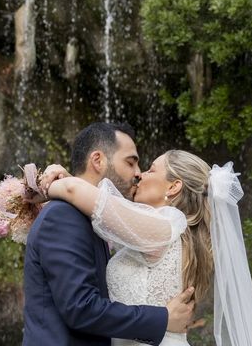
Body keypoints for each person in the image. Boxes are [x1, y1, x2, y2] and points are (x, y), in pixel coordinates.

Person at [40, 148, 252, 346]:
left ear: (174, 186)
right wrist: (69, 180)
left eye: (151, 169)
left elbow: (76, 193)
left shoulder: (166, 224)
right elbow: (100, 211)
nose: (140, 175)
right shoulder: (164, 232)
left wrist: (44, 187)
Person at [22, 122, 195, 346]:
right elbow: (81, 307)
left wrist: (53, 186)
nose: (138, 174)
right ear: (97, 160)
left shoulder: (105, 221)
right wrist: (162, 319)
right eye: (131, 162)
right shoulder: (64, 216)